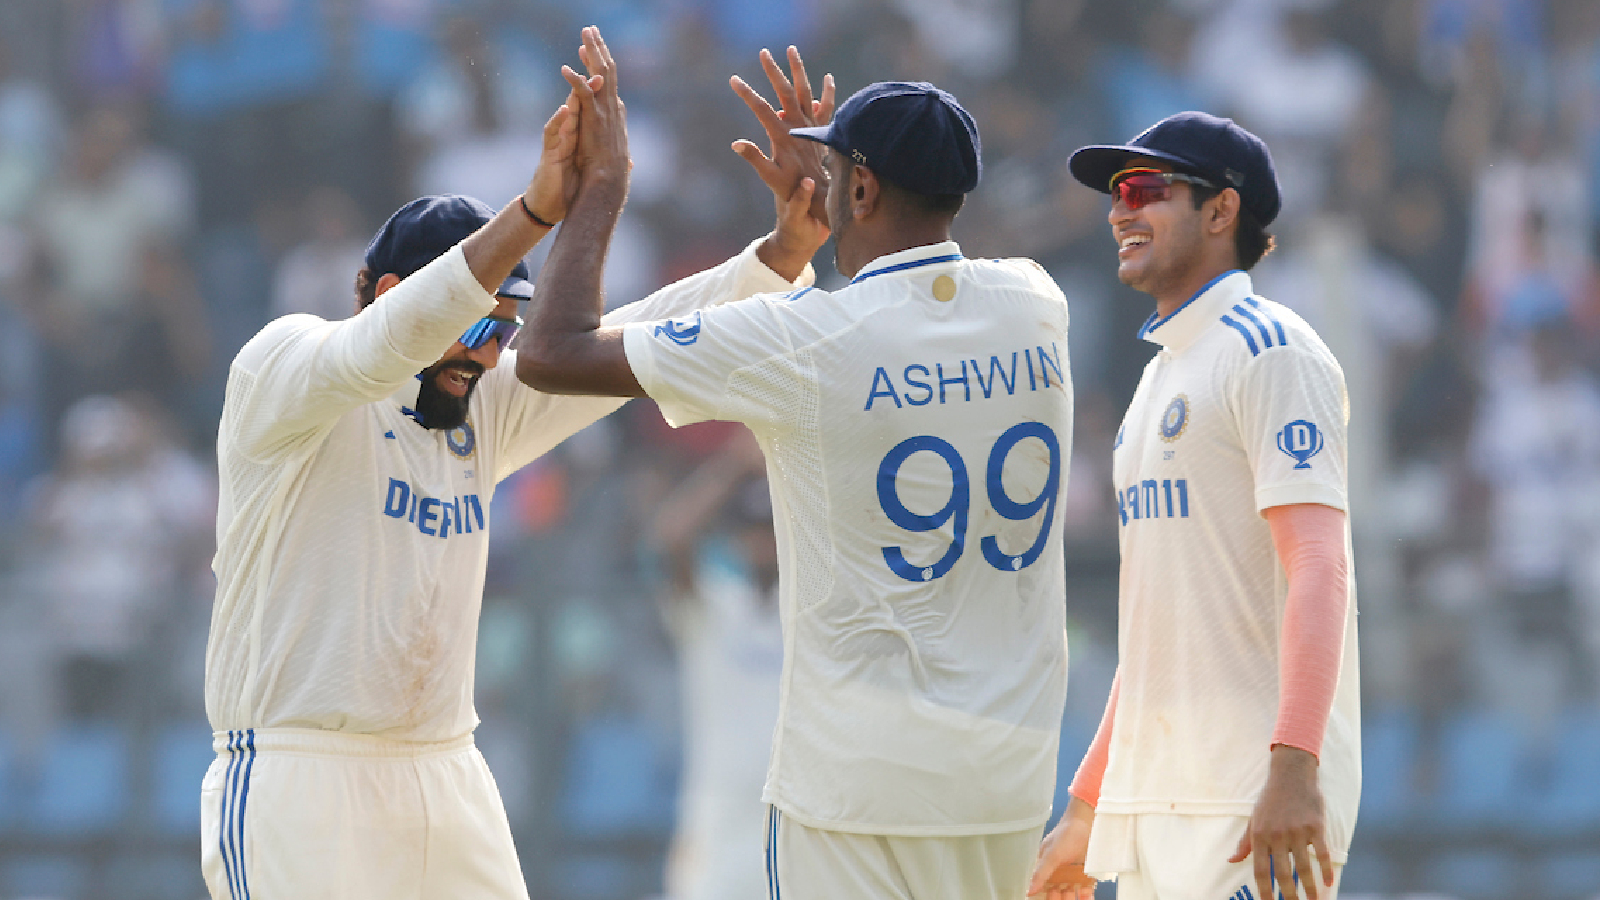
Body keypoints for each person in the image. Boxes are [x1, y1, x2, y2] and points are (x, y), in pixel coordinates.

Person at [200, 71, 819, 899]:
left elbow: (633, 333)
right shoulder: (283, 371)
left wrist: (778, 257)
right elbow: (379, 346)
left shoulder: (474, 408)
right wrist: (533, 212)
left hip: (445, 767)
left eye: (509, 327)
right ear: (390, 295)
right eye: (482, 324)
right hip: (299, 771)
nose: (495, 351)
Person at [518, 28, 1074, 900]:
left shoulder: (808, 338)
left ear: (859, 186)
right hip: (1006, 776)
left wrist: (602, 192)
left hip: (856, 790)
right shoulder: (1037, 303)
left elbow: (550, 354)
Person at [1028, 112, 1360, 900]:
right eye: (1116, 193)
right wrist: (1085, 807)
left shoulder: (1271, 350)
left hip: (1255, 798)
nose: (1119, 210)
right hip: (1157, 802)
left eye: (1147, 189)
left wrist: (1292, 768)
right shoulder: (1158, 380)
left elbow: (1320, 567)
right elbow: (1154, 630)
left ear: (1222, 210)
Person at [648, 430, 783, 900]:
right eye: (752, 531)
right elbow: (672, 536)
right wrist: (735, 465)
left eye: (771, 531)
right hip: (717, 818)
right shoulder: (714, 607)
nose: (762, 543)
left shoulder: (810, 614)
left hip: (791, 820)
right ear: (737, 538)